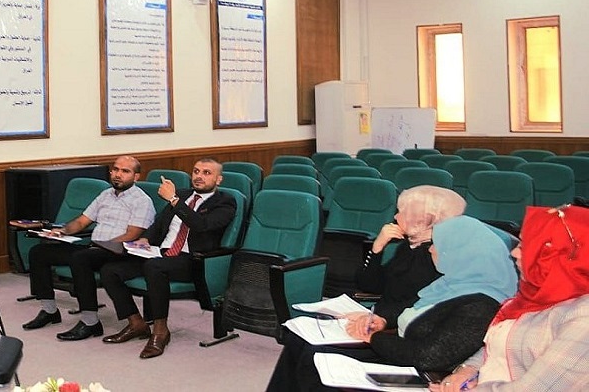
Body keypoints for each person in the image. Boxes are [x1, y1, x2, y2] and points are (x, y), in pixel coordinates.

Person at [269, 213, 519, 391]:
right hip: (399, 345)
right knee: (300, 341)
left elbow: (429, 356)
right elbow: (411, 306)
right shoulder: (453, 282)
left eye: (439, 246)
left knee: (316, 360)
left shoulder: (481, 304)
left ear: (462, 254)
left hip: (420, 370)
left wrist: (373, 338)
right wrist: (381, 321)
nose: (431, 250)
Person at [267, 185, 466, 390]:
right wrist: (377, 248)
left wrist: (379, 319)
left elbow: (421, 305)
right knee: (297, 338)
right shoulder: (409, 246)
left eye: (402, 212)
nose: (396, 216)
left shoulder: (438, 256)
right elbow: (369, 284)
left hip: (395, 334)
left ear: (424, 220)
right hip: (376, 321)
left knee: (314, 355)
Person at [431, 204, 589, 391]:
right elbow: (499, 345)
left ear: (554, 255)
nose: (513, 253)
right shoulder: (531, 296)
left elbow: (540, 388)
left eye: (525, 246)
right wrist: (467, 370)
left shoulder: (583, 316)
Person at [99, 157, 236, 358]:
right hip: (160, 253)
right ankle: (136, 322)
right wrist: (145, 239)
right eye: (196, 171)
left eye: (207, 173)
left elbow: (202, 225)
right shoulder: (182, 195)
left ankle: (160, 331)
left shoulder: (225, 202)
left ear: (219, 179)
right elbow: (159, 224)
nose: (199, 176)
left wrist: (174, 200)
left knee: (154, 268)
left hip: (193, 260)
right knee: (110, 270)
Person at [23, 155, 156, 341]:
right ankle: (49, 310)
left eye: (125, 171)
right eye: (115, 170)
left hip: (119, 251)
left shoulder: (142, 201)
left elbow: (133, 234)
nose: (118, 174)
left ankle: (90, 322)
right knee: (39, 252)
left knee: (81, 258)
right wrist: (61, 231)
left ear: (136, 177)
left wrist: (104, 245)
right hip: (95, 248)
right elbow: (82, 221)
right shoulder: (105, 195)